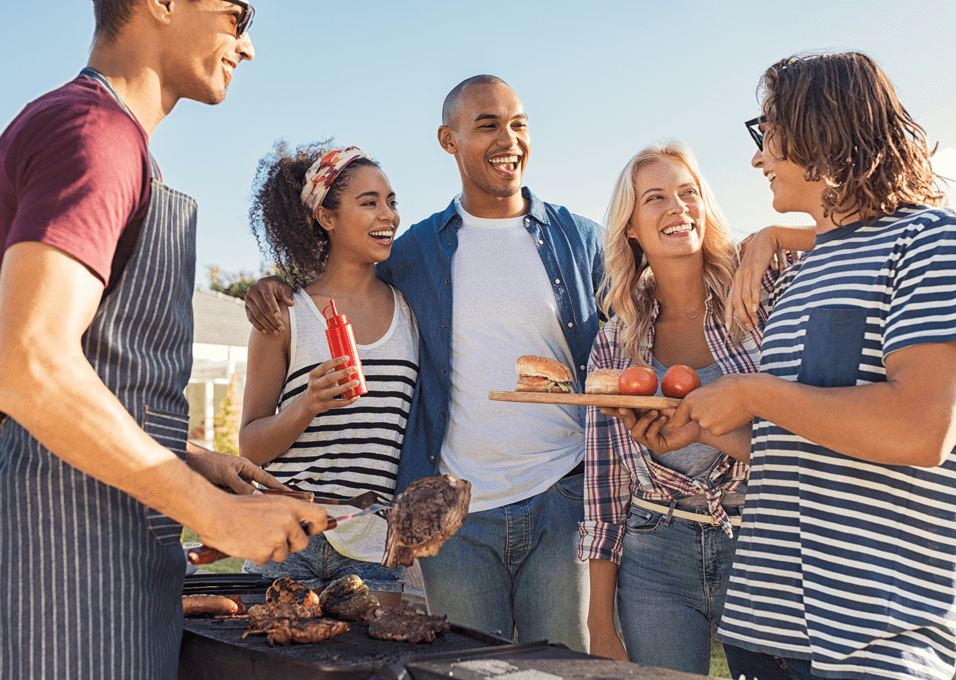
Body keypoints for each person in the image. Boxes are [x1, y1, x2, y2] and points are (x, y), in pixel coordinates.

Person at [0, 2, 329, 679]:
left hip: (98, 553)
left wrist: (190, 455)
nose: (247, 46)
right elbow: (30, 368)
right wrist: (211, 513)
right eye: (237, 15)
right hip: (56, 561)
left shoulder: (106, 137)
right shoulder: (93, 135)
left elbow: (94, 369)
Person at [245, 75, 603, 651]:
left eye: (518, 123)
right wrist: (273, 286)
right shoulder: (414, 253)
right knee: (453, 663)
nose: (507, 138)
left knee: (556, 665)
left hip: (536, 501)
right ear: (448, 139)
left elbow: (648, 302)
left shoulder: (574, 241)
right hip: (401, 520)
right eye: (486, 124)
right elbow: (338, 278)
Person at [669, 52, 956, 680]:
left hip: (874, 640)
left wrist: (752, 392)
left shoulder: (932, 243)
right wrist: (707, 429)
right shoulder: (802, 276)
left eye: (766, 131)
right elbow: (806, 441)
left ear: (820, 129)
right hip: (762, 630)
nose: (755, 156)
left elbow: (920, 430)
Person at [581, 141, 778, 675]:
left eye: (688, 192)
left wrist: (777, 235)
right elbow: (603, 490)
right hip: (654, 550)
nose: (677, 207)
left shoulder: (763, 296)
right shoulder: (615, 344)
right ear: (631, 227)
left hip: (762, 536)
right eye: (655, 198)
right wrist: (600, 621)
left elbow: (851, 238)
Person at [238, 143, 418, 605]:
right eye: (369, 202)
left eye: (392, 201)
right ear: (326, 218)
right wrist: (307, 403)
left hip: (371, 540)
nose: (388, 215)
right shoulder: (284, 314)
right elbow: (251, 446)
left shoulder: (412, 314)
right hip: (285, 535)